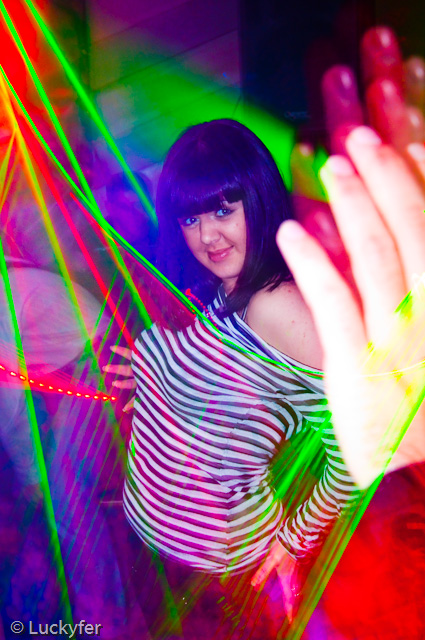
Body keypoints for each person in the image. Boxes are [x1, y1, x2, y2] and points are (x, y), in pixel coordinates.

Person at [105, 118, 360, 640]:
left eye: (224, 210)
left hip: (217, 575)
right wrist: (152, 374)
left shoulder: (278, 307)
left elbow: (355, 454)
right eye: (191, 218)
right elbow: (221, 384)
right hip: (152, 547)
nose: (206, 236)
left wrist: (292, 542)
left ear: (259, 201)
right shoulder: (218, 287)